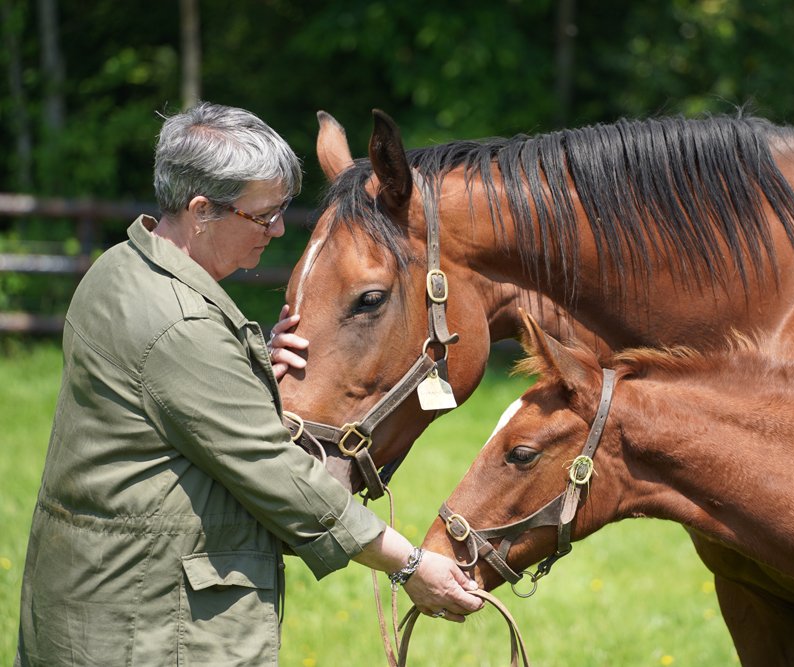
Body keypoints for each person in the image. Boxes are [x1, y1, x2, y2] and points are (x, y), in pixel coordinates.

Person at [15, 102, 482, 666]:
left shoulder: (121, 268)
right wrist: (410, 564)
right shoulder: (182, 326)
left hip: (92, 606)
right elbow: (273, 472)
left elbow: (160, 398)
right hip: (150, 632)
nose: (278, 228)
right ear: (201, 211)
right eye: (263, 215)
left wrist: (248, 361)